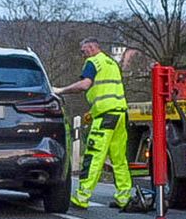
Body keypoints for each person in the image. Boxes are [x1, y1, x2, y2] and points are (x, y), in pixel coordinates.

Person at [53, 38, 132, 209]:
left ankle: (82, 196)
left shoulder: (92, 62)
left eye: (83, 51)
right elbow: (108, 91)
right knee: (119, 159)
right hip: (120, 114)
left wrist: (61, 90)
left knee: (93, 156)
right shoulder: (111, 63)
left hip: (105, 117)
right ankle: (124, 197)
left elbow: (84, 85)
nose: (83, 55)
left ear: (91, 48)